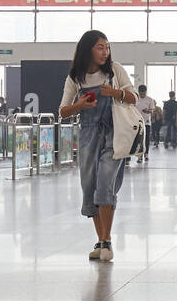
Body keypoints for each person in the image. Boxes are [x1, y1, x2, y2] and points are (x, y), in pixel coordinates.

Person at [58, 30, 137, 263]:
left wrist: (116, 93)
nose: (105, 52)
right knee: (90, 185)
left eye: (107, 47)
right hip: (89, 135)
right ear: (88, 49)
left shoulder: (115, 70)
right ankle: (102, 240)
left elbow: (132, 97)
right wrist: (80, 105)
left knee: (105, 182)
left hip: (115, 132)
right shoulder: (75, 77)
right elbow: (63, 111)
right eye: (100, 47)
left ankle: (106, 242)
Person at [134, 85, 156, 164]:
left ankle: (146, 154)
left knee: (146, 139)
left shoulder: (150, 100)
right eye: (141, 93)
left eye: (143, 93)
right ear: (138, 92)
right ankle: (139, 156)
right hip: (137, 122)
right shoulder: (136, 99)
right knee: (138, 139)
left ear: (146, 92)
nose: (142, 95)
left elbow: (152, 110)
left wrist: (148, 111)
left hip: (146, 122)